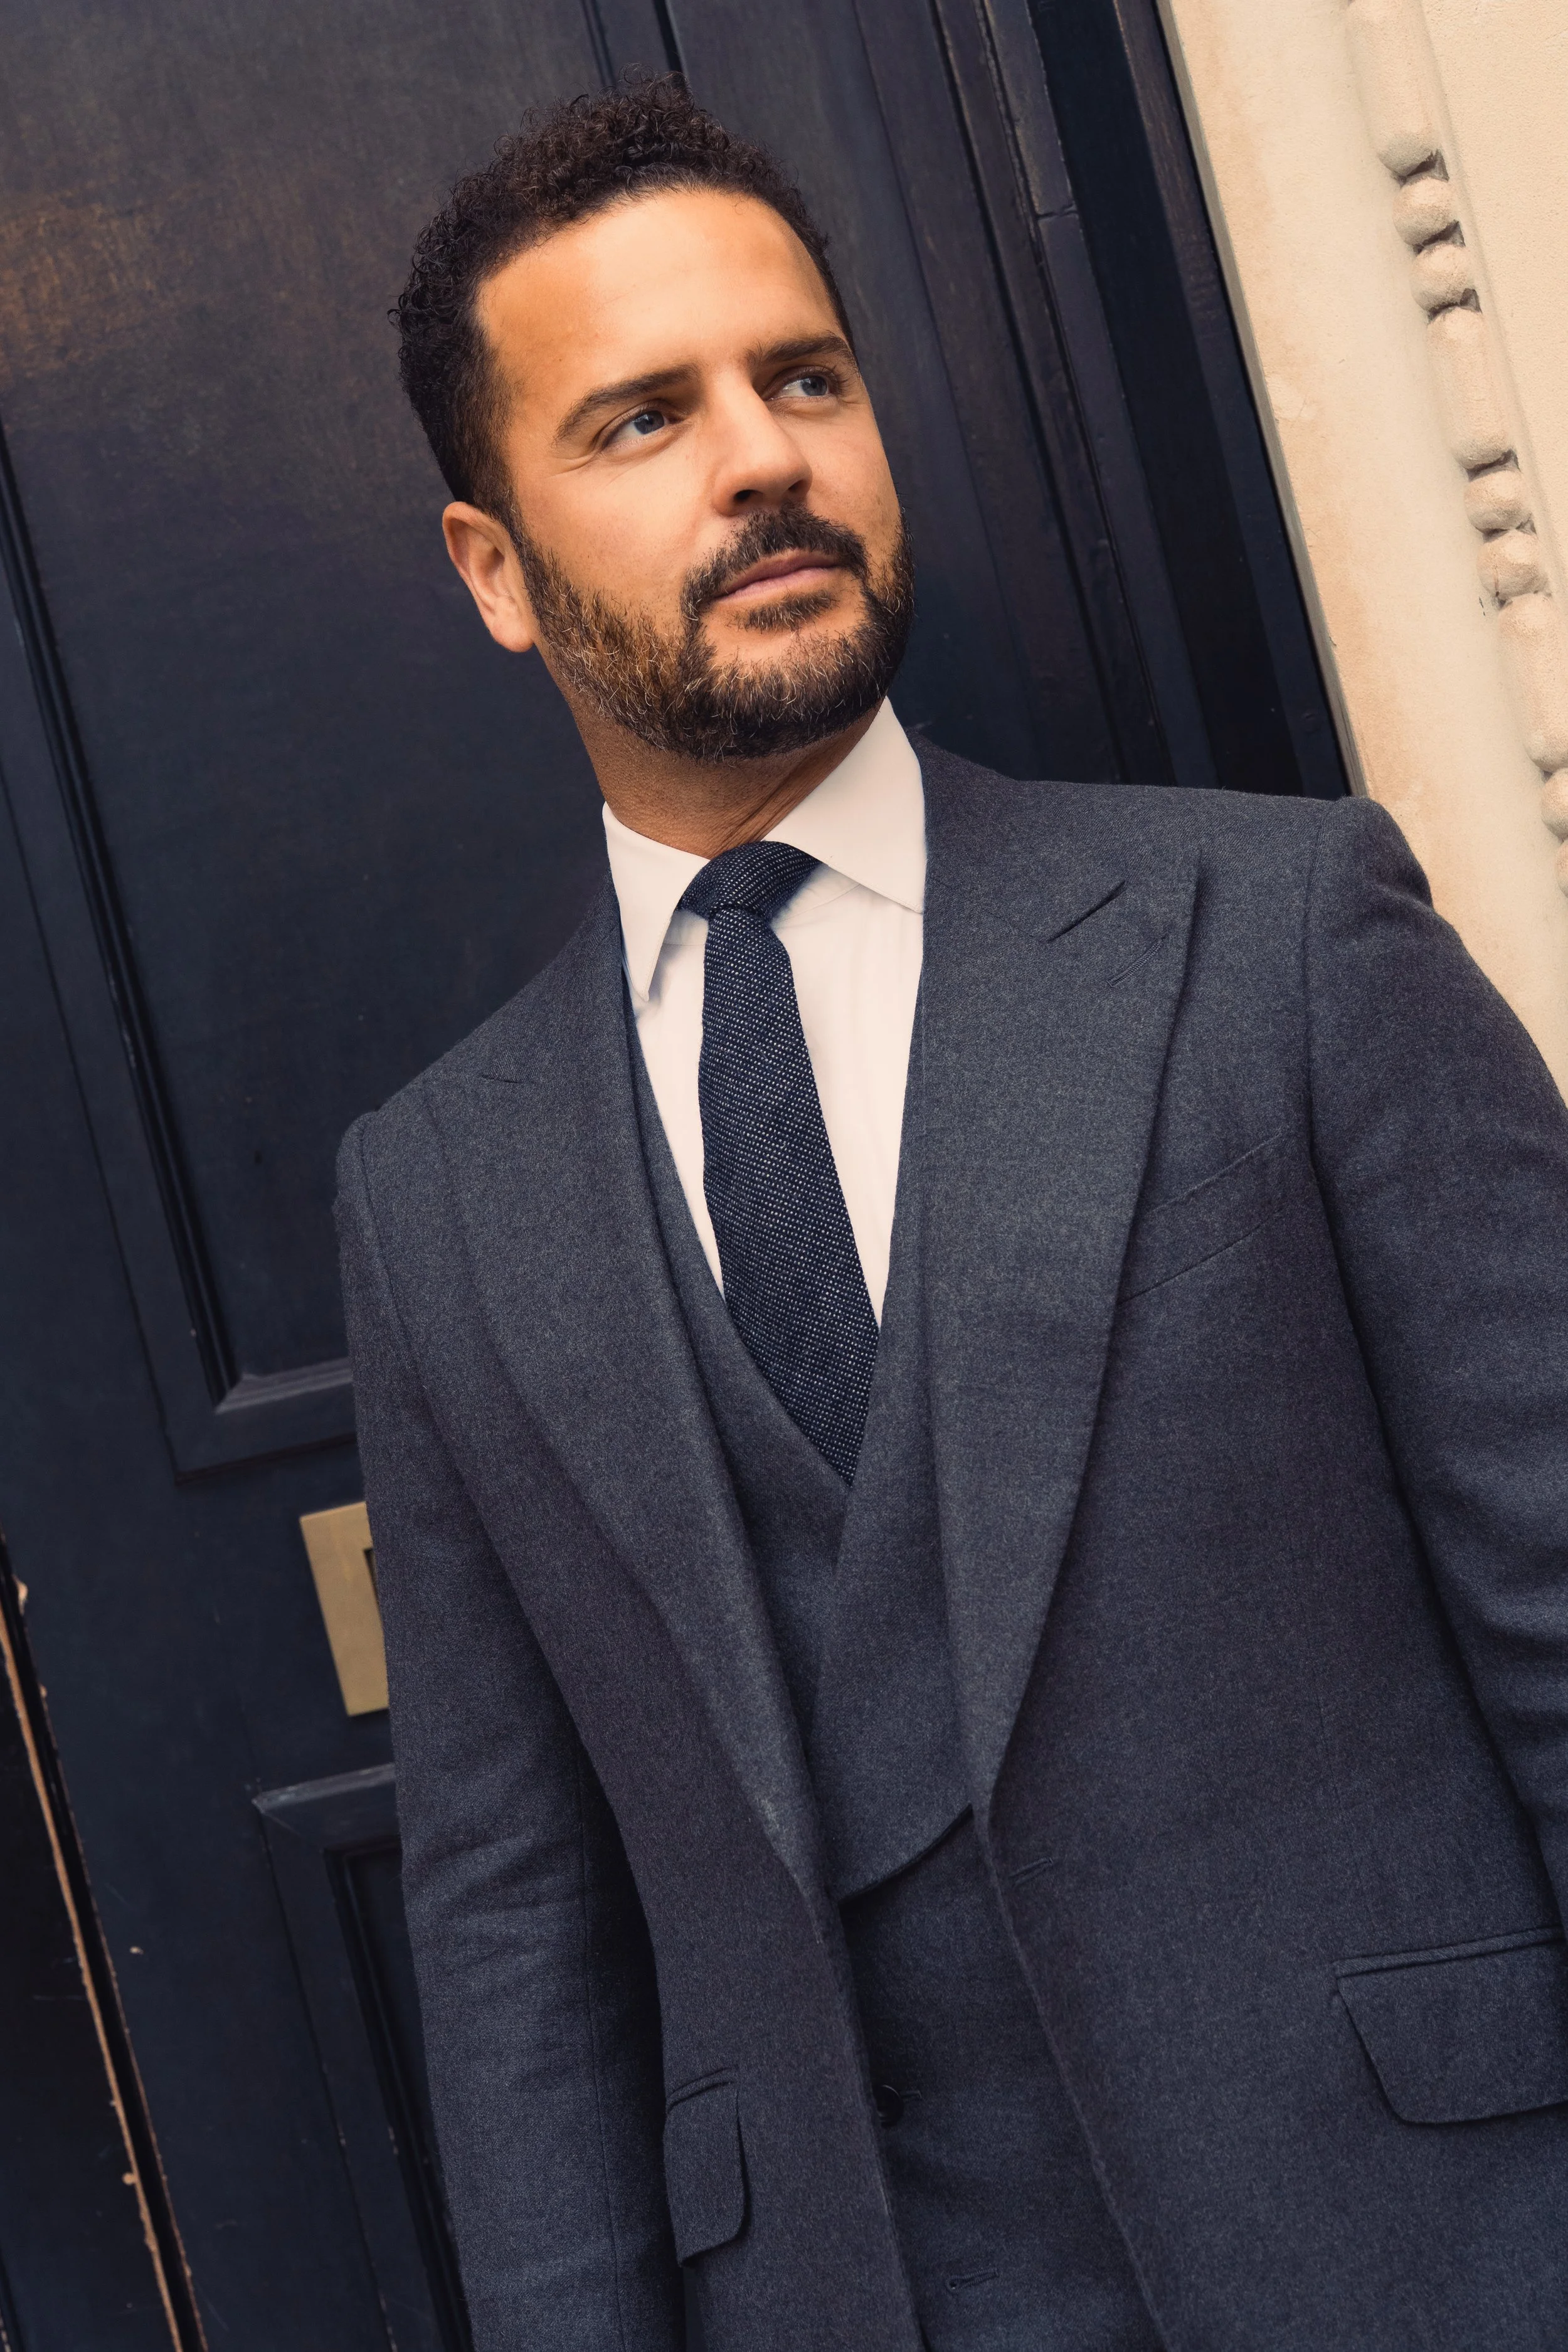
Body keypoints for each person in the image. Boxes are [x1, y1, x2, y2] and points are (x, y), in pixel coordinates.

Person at [337, 73, 1568, 2352]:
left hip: (1421, 2261)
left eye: (803, 376)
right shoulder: (433, 1198)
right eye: (638, 419)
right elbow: (512, 1932)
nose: (763, 457)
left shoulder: (1281, 937)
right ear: (490, 570)